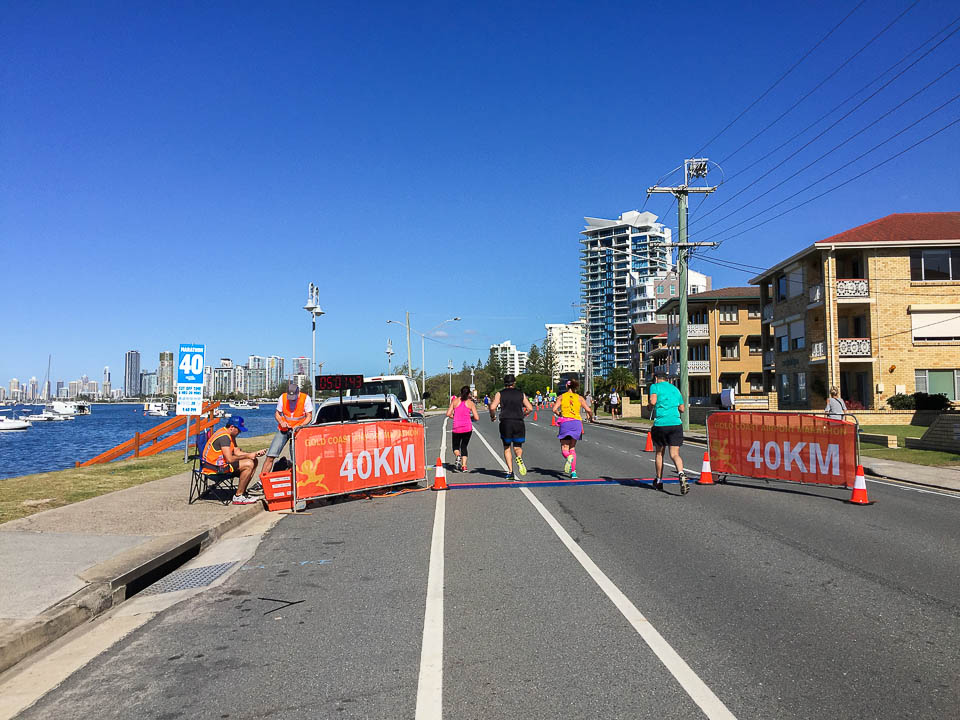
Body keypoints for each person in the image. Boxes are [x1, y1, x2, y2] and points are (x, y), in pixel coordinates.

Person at [201, 416, 266, 505]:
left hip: (221, 465)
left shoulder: (230, 435)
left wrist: (254, 454)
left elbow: (237, 452)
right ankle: (238, 497)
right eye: (238, 430)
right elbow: (230, 459)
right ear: (232, 427)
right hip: (214, 468)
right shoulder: (224, 437)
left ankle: (242, 493)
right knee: (249, 464)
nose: (239, 432)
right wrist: (248, 456)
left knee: (254, 461)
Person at [260, 381, 314, 482]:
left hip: (298, 431)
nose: (291, 400)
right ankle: (262, 481)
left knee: (297, 458)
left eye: (293, 398)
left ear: (298, 393)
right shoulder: (283, 397)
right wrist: (281, 421)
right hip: (284, 429)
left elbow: (309, 416)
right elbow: (277, 414)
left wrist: (300, 426)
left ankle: (298, 480)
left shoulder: (305, 398)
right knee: (270, 455)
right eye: (290, 398)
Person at [648, 371, 688, 494]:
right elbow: (682, 408)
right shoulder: (675, 389)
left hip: (661, 424)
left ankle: (659, 480)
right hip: (676, 424)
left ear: (656, 378)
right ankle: (681, 473)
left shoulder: (655, 386)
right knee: (674, 454)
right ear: (667, 379)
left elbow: (653, 402)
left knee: (659, 453)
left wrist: (649, 406)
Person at [488, 374, 533, 480]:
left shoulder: (500, 394)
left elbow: (493, 407)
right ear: (514, 383)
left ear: (505, 383)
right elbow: (530, 408)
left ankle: (510, 472)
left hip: (506, 422)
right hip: (518, 421)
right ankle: (519, 457)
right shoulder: (521, 394)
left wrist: (493, 416)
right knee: (518, 446)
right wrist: (523, 414)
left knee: (507, 447)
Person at [551, 379, 594, 479]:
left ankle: (568, 458)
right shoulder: (579, 398)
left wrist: (559, 414)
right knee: (572, 448)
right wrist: (591, 418)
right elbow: (588, 410)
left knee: (564, 448)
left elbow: (554, 409)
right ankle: (573, 472)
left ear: (567, 386)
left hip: (566, 422)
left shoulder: (561, 397)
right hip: (576, 423)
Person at [446, 385, 479, 472]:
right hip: (467, 428)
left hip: (457, 427)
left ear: (460, 392)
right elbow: (476, 418)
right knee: (464, 446)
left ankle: (458, 456)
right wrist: (470, 418)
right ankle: (464, 466)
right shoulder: (470, 403)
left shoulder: (455, 401)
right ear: (469, 394)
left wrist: (455, 417)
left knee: (455, 447)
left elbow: (448, 414)